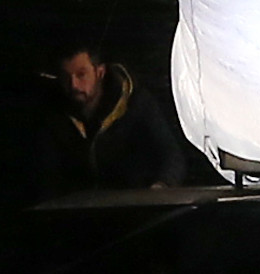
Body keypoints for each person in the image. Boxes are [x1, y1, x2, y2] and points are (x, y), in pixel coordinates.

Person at [35, 41, 187, 199]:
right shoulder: (53, 113)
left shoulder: (136, 104)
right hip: (78, 208)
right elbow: (46, 173)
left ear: (100, 72)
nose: (74, 85)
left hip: (133, 203)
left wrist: (160, 188)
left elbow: (171, 156)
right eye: (66, 77)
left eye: (81, 75)